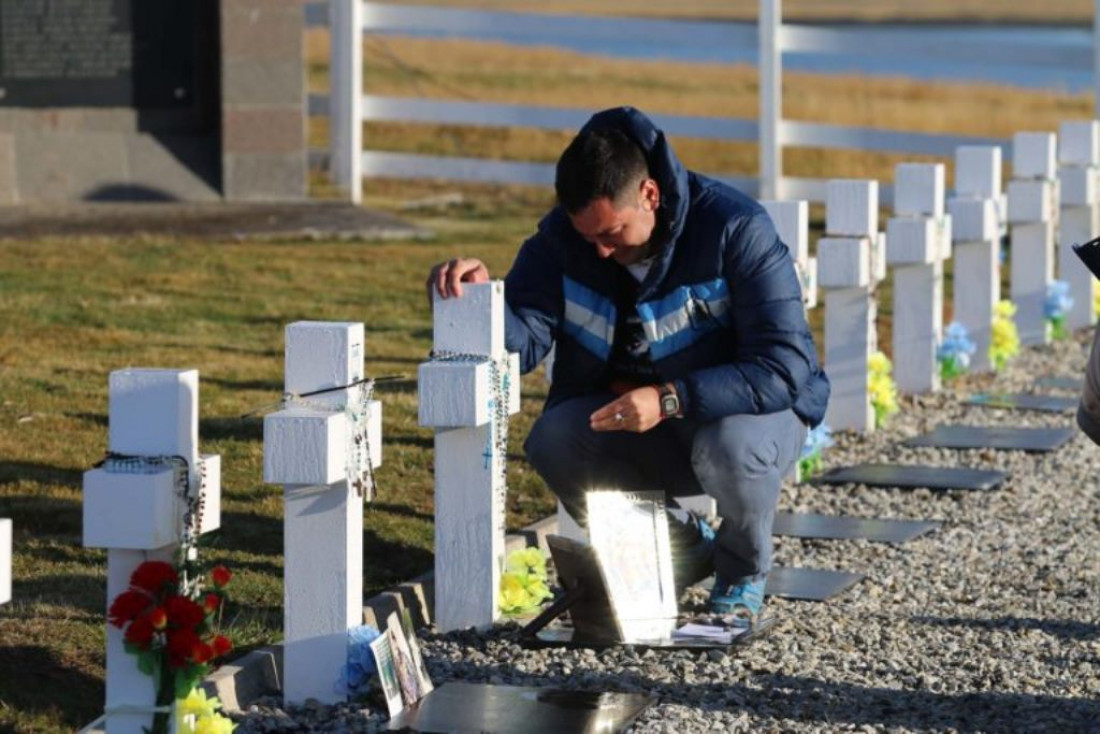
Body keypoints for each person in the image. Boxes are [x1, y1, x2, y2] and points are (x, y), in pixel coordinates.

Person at [426, 107, 829, 625]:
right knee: (554, 439)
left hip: (748, 419)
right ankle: (682, 548)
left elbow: (783, 368)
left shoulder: (735, 228)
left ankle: (740, 572)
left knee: (729, 447)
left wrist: (669, 399)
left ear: (650, 196)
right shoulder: (562, 242)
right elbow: (523, 342)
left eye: (612, 233)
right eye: (587, 235)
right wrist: (483, 299)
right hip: (638, 422)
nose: (599, 249)